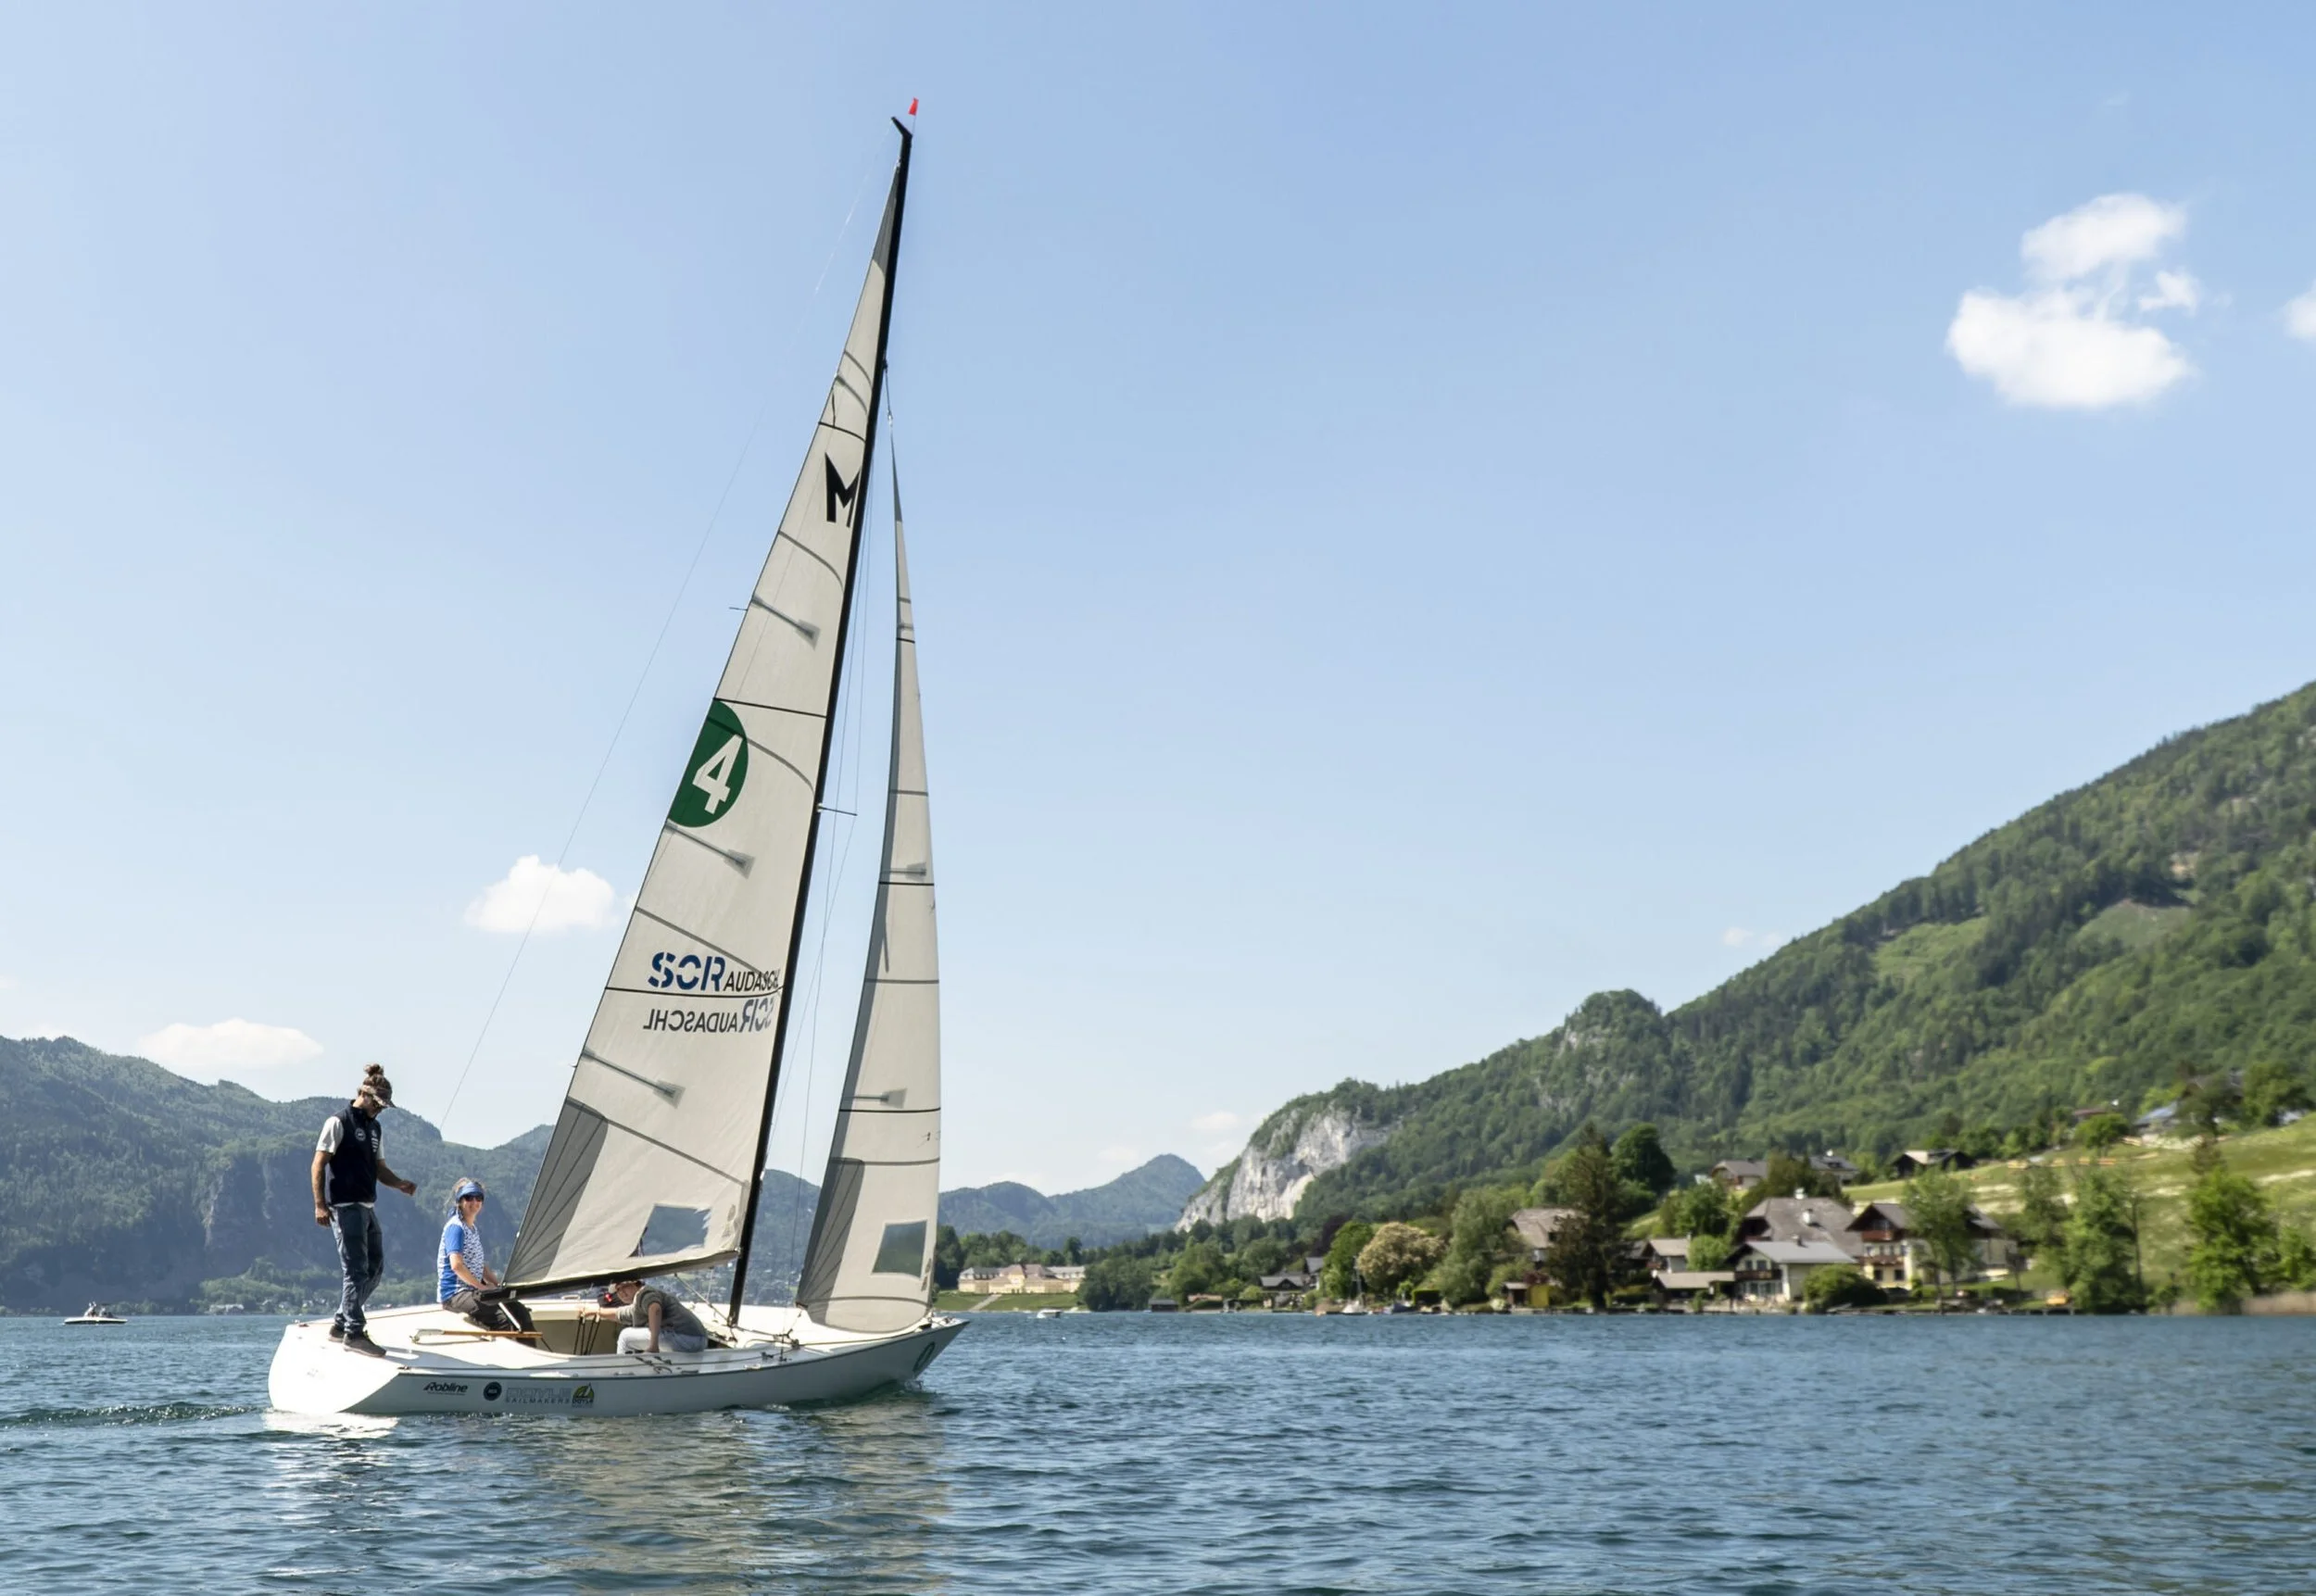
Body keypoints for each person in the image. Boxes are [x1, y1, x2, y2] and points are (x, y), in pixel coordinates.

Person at [309, 1063, 417, 1356]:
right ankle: (354, 1333)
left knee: (375, 1267)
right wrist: (320, 1204)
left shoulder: (375, 1128)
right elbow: (318, 1164)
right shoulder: (338, 1122)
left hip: (368, 1207)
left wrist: (400, 1184)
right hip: (344, 1207)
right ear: (365, 1095)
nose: (380, 1110)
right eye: (378, 1104)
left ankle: (341, 1322)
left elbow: (380, 1169)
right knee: (355, 1269)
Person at [436, 1179, 535, 1335]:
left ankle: (531, 1355)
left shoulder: (473, 1229)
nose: (474, 1202)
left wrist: (498, 1285)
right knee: (502, 1320)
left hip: (472, 1291)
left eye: (478, 1198)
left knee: (520, 1312)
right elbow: (457, 1266)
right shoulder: (455, 1227)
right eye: (469, 1197)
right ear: (460, 1201)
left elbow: (479, 1265)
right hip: (455, 1295)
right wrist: (481, 1287)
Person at [588, 1278, 709, 1354]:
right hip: (697, 1339)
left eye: (625, 1286)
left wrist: (653, 1346)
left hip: (685, 1337)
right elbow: (620, 1313)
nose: (621, 1292)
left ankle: (622, 1374)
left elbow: (655, 1309)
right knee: (632, 1335)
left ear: (636, 1284)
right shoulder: (638, 1304)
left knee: (625, 1336)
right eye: (618, 1290)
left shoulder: (644, 1293)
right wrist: (596, 1311)